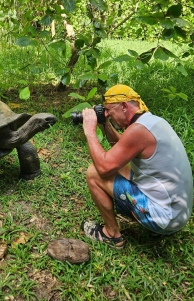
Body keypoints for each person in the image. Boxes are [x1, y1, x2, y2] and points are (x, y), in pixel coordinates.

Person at [80, 84, 193, 250]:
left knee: (94, 172)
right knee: (118, 168)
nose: (109, 115)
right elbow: (121, 147)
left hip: (166, 219)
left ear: (124, 107)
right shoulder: (151, 122)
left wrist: (90, 130)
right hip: (176, 213)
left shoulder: (138, 131)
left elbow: (104, 167)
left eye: (109, 111)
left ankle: (111, 235)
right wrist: (105, 125)